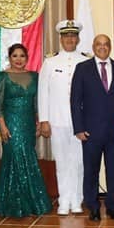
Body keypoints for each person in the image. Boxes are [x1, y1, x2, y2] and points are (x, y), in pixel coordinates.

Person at [0, 44, 52, 217]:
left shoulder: (35, 76)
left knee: (28, 157)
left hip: (28, 124)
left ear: (27, 58)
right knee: (15, 158)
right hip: (11, 124)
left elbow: (37, 101)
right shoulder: (2, 77)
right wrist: (2, 126)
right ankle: (12, 204)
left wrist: (40, 121)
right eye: (15, 56)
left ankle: (31, 202)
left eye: (22, 56)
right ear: (9, 58)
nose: (18, 59)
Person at [38, 20, 88, 215]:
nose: (70, 39)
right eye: (66, 36)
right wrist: (44, 120)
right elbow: (43, 92)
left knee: (78, 161)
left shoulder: (85, 61)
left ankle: (77, 199)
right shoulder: (50, 62)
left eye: (73, 36)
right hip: (57, 120)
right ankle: (63, 199)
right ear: (60, 38)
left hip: (80, 122)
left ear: (78, 38)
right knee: (62, 161)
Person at [71, 35, 114, 221]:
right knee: (91, 170)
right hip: (90, 132)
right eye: (99, 44)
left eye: (106, 44)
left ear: (110, 47)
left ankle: (112, 207)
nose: (102, 47)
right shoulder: (82, 69)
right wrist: (78, 128)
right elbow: (75, 101)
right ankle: (92, 206)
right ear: (93, 47)